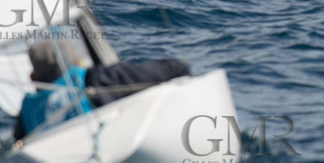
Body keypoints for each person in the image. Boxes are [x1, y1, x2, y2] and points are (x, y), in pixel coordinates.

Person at [12, 39, 192, 142]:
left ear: (32, 78)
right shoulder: (98, 78)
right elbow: (175, 68)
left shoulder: (26, 113)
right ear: (77, 62)